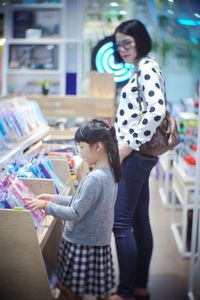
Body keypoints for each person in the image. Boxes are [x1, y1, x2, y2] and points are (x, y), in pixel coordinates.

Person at [24, 119, 121, 300]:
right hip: (98, 243)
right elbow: (82, 202)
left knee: (74, 292)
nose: (80, 152)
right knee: (97, 290)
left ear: (97, 146)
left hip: (81, 244)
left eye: (82, 147)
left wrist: (46, 206)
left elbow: (75, 213)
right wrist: (53, 198)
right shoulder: (110, 173)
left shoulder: (94, 179)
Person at [110, 20, 166, 300]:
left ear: (140, 41)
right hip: (139, 154)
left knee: (121, 223)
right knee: (139, 220)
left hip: (136, 155)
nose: (121, 49)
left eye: (127, 43)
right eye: (119, 43)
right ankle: (140, 286)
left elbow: (156, 110)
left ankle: (125, 291)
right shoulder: (139, 68)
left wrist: (127, 145)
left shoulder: (146, 67)